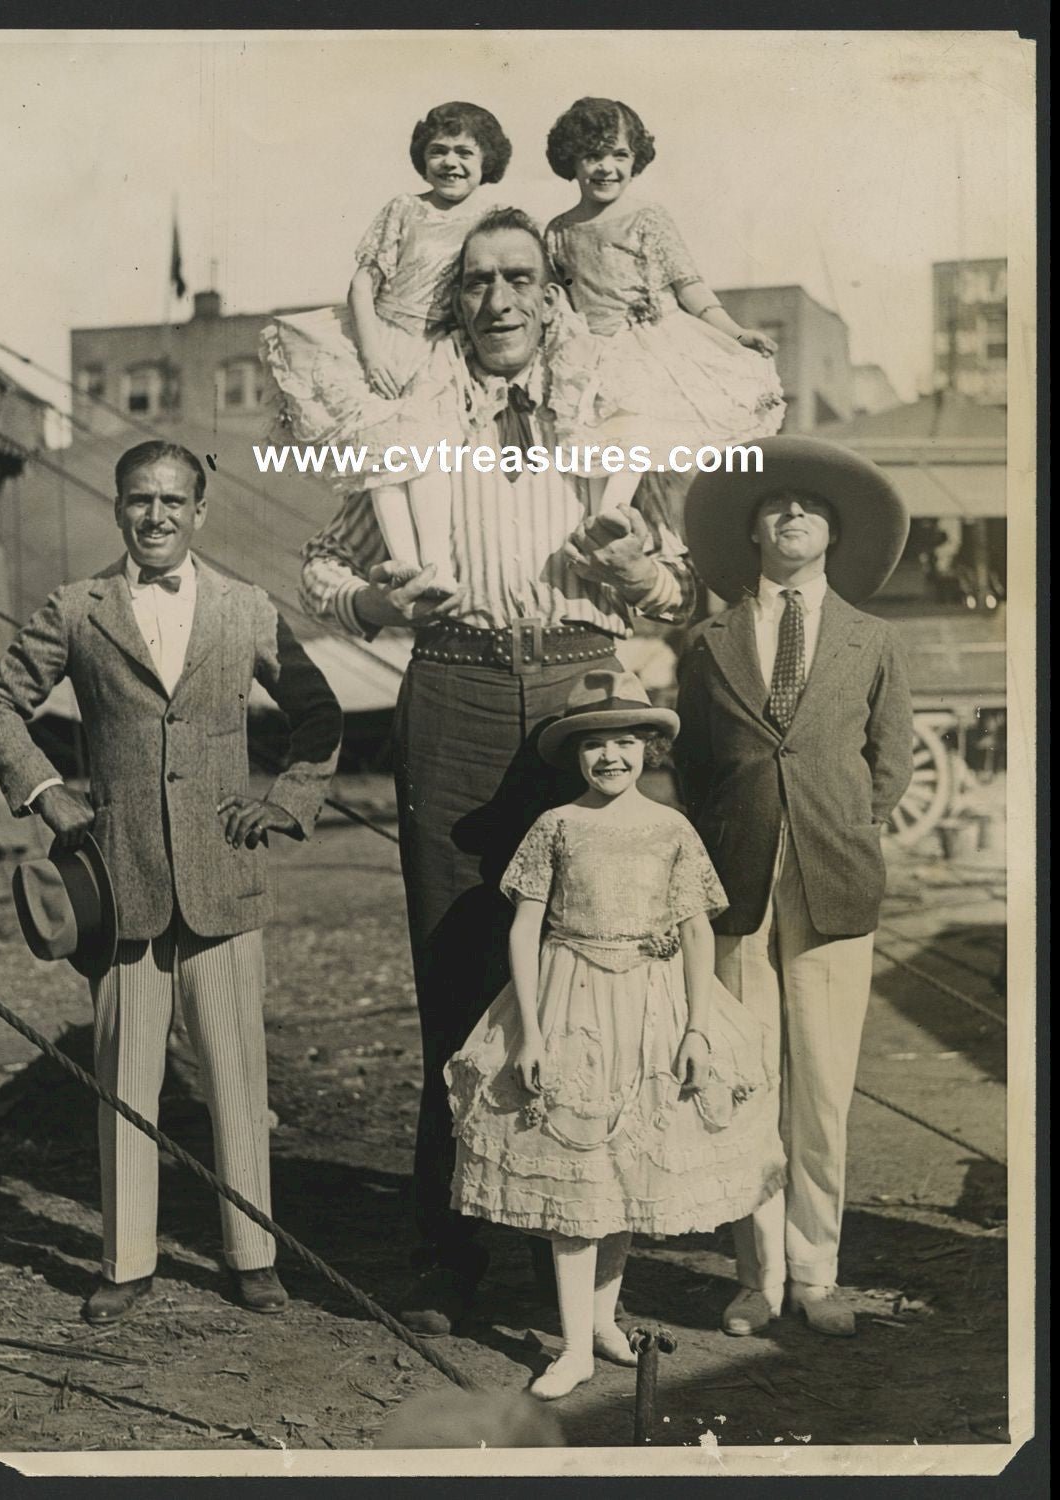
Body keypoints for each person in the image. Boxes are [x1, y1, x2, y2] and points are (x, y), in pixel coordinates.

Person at [300, 207, 699, 1336]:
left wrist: (636, 571)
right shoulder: (410, 417)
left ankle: (569, 1247)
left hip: (579, 690)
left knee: (591, 964)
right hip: (457, 685)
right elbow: (324, 565)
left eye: (521, 277)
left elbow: (673, 584)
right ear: (453, 299)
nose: (500, 299)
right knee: (459, 957)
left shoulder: (605, 416)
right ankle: (450, 1244)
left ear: (552, 293)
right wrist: (376, 602)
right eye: (476, 281)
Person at [0, 440, 342, 1325]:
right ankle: (125, 1260)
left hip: (225, 886)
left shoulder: (246, 608)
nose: (158, 516)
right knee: (124, 1080)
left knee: (237, 1079)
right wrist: (48, 794)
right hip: (119, 883)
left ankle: (252, 1254)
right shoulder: (76, 607)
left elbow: (318, 712)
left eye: (175, 501)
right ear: (118, 507)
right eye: (141, 500)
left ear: (201, 512)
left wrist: (285, 803)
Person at [445, 669, 785, 1399]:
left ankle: (603, 1319)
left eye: (626, 743)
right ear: (575, 756)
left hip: (652, 1006)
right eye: (595, 745)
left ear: (649, 749)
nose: (611, 758)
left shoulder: (670, 828)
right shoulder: (557, 826)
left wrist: (696, 1027)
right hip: (572, 1002)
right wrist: (530, 1030)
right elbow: (526, 927)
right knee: (578, 1168)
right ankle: (572, 1346)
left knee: (625, 1168)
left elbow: (697, 932)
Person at [673, 434, 914, 1340]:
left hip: (833, 881)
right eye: (775, 505)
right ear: (752, 531)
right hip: (736, 884)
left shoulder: (872, 638)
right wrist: (735, 835)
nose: (792, 515)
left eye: (810, 507)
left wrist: (840, 826)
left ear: (834, 534)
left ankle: (817, 1272)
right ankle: (757, 1276)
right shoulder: (708, 642)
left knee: (821, 1089)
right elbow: (695, 766)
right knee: (742, 1084)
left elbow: (888, 764)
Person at [264, 101, 511, 594]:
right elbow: (362, 285)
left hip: (439, 350)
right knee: (383, 462)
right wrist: (372, 355)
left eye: (465, 152)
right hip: (381, 337)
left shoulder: (488, 222)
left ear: (487, 165)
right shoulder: (405, 209)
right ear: (423, 157)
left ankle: (436, 564)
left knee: (429, 455)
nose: (450, 162)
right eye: (439, 151)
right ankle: (405, 563)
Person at [542, 96, 784, 518]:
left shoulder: (647, 217)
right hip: (594, 352)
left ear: (636, 160)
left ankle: (615, 514)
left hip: (653, 345)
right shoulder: (559, 230)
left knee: (638, 433)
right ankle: (604, 521)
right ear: (572, 160)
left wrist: (737, 334)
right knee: (601, 441)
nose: (606, 168)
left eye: (619, 155)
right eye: (593, 155)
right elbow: (560, 299)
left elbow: (689, 287)